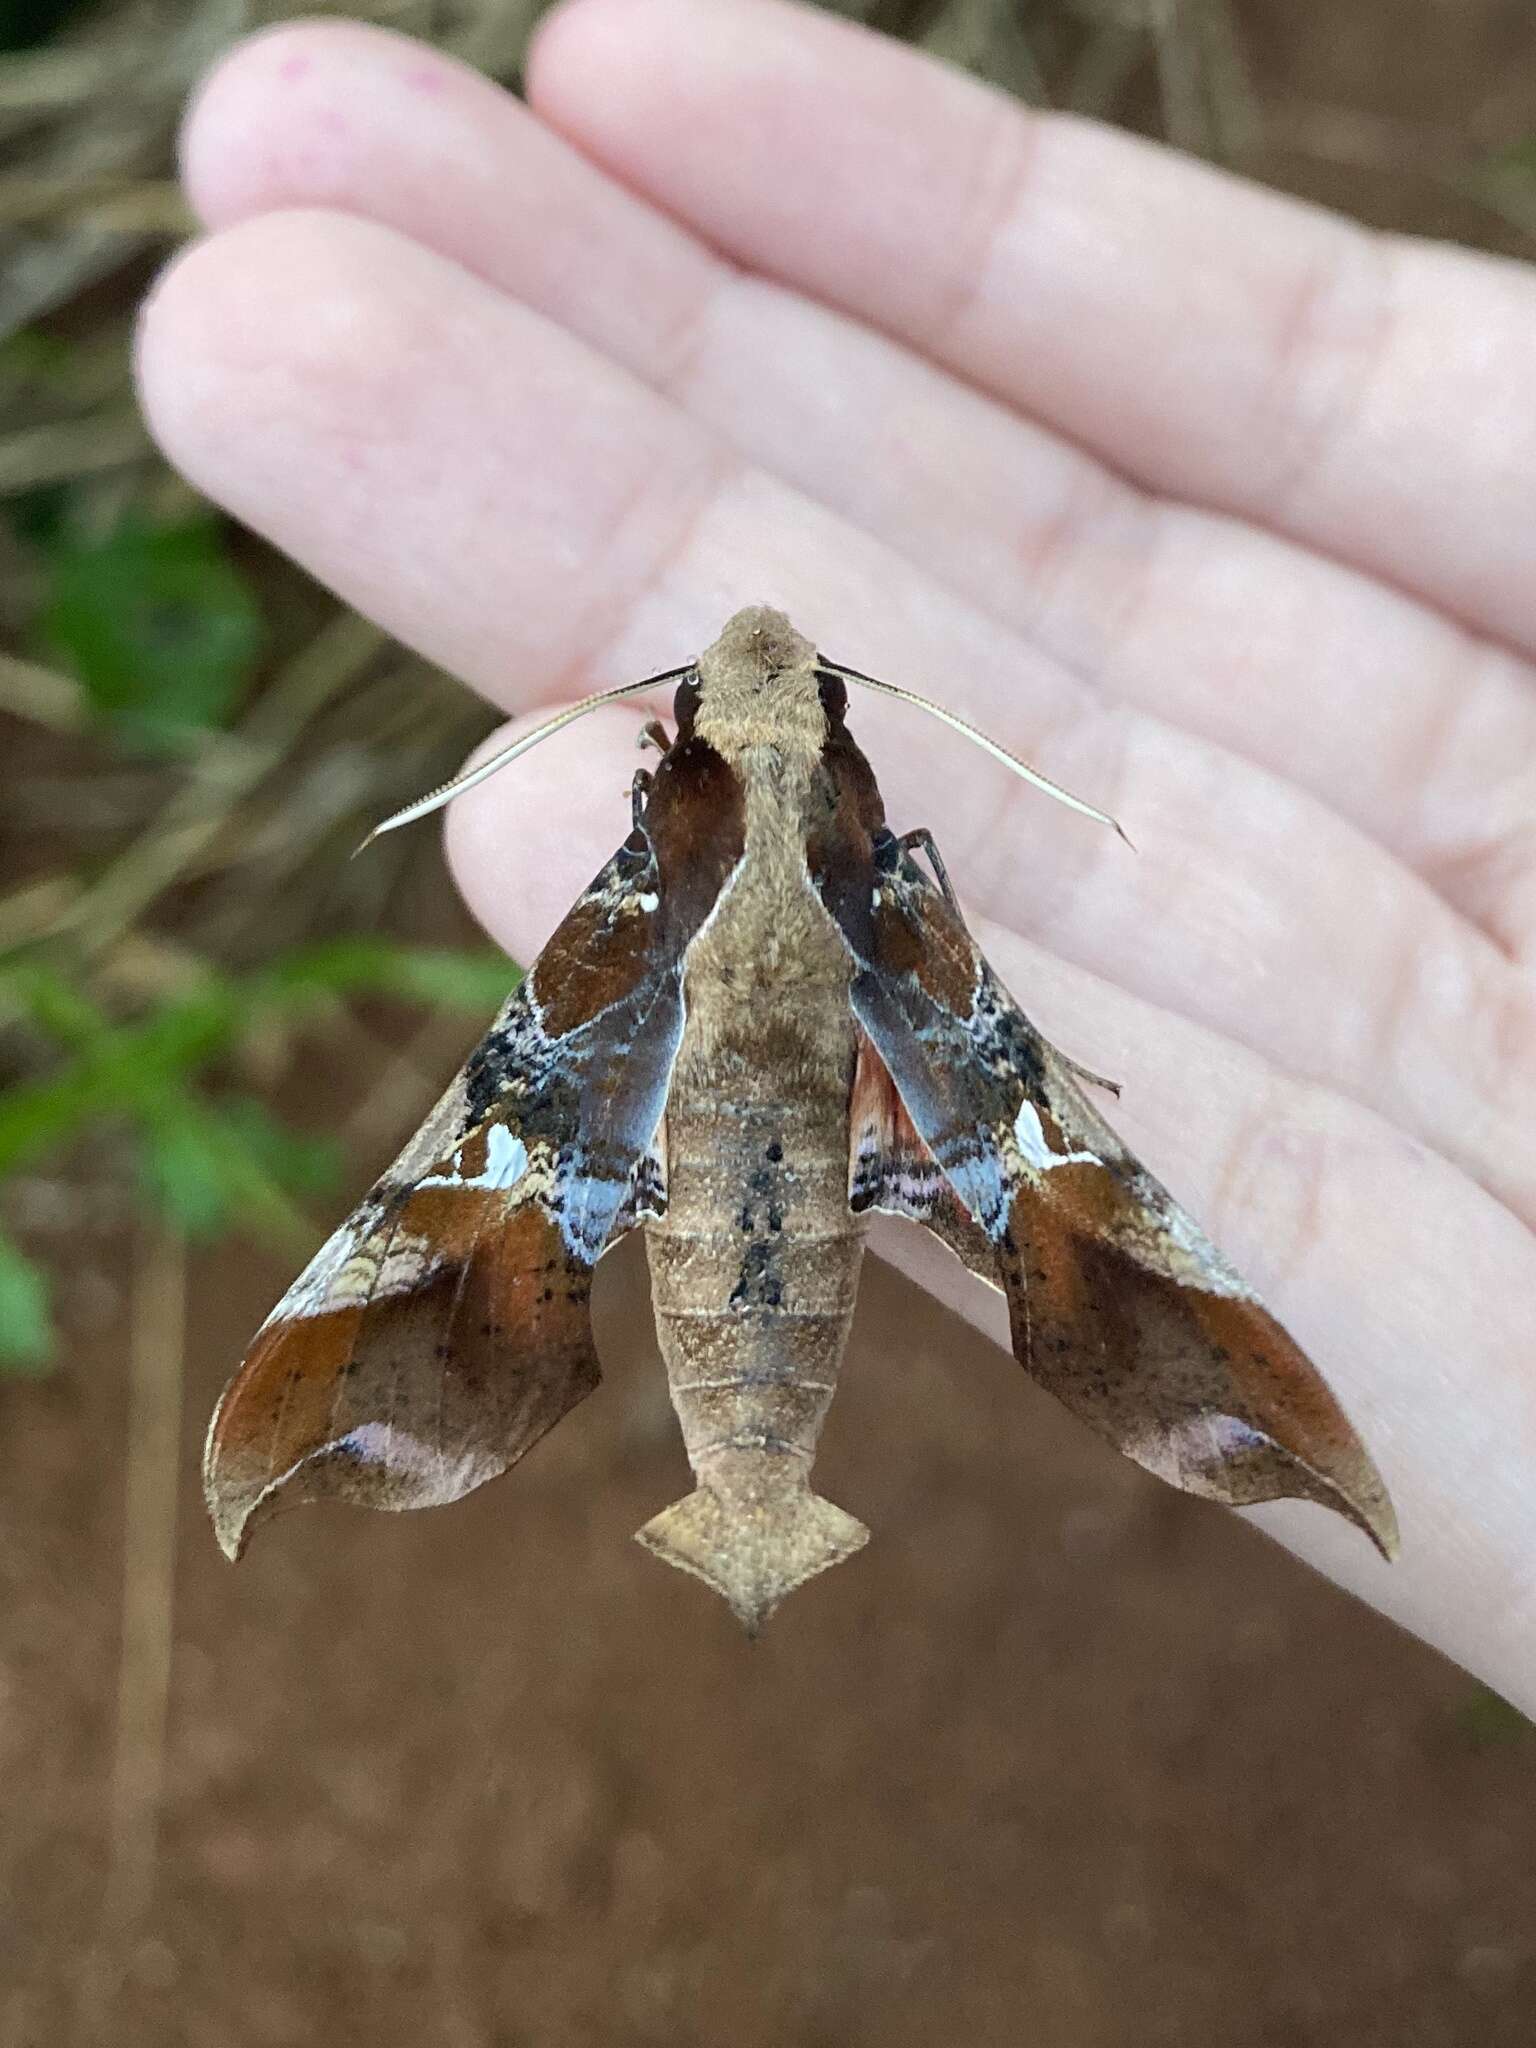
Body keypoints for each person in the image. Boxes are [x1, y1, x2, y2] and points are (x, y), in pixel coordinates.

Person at [135, 0, 1536, 1713]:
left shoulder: (630, 921)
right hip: (873, 1092)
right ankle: (1050, 1383)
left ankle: (410, 1403)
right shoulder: (905, 909)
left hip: (695, 1124)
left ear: (678, 762)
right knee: (1080, 1194)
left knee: (465, 1187)